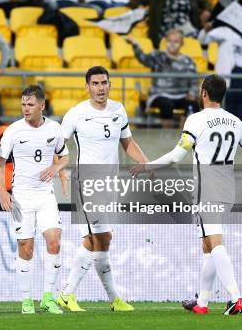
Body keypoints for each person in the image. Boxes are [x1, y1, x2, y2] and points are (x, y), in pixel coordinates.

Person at [131, 74, 242, 316]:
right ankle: (202, 302)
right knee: (207, 244)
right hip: (227, 190)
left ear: (204, 93)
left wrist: (148, 165)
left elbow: (176, 155)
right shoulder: (234, 121)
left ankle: (236, 298)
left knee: (215, 242)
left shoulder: (196, 120)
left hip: (207, 190)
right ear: (221, 95)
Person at [57, 66, 147, 312]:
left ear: (110, 85)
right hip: (87, 182)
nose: (100, 88)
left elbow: (127, 142)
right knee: (99, 236)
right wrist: (60, 171)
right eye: (95, 83)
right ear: (86, 87)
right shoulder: (76, 114)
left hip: (110, 184)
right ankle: (79, 295)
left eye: (104, 83)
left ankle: (94, 297)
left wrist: (144, 162)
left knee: (99, 239)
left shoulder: (119, 110)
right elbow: (56, 144)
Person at [0, 85, 69, 315]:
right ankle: (26, 300)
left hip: (45, 195)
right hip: (22, 196)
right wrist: (2, 191)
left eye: (30, 104)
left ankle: (48, 297)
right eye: (23, 104)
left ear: (41, 105)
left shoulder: (55, 129)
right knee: (26, 248)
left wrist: (56, 166)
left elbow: (65, 155)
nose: (25, 109)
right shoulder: (13, 131)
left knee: (54, 241)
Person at [126, 30, 200, 128]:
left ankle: (183, 138)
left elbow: (194, 81)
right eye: (170, 41)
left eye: (176, 41)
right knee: (166, 105)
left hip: (182, 95)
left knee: (192, 105)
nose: (172, 44)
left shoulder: (188, 61)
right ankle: (167, 137)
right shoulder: (158, 56)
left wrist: (192, 93)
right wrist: (135, 44)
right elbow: (143, 58)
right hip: (160, 94)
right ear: (166, 42)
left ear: (181, 43)